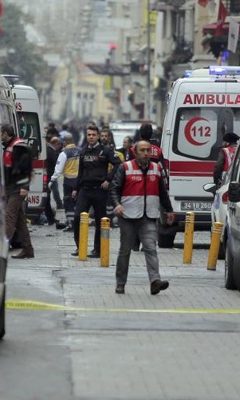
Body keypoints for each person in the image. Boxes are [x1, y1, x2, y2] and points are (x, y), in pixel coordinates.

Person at [110, 140, 175, 295]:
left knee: (151, 248)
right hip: (128, 215)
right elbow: (114, 189)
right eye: (143, 150)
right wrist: (117, 205)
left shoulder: (156, 168)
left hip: (149, 215)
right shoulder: (125, 167)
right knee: (125, 251)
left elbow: (162, 192)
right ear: (135, 152)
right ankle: (120, 283)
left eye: (148, 150)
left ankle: (155, 281)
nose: (146, 153)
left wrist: (169, 210)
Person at [71, 125, 122, 258]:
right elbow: (80, 172)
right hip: (85, 190)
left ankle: (98, 249)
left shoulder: (106, 150)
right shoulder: (83, 152)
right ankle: (79, 246)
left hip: (99, 190)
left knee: (101, 221)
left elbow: (118, 164)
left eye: (94, 135)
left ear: (98, 136)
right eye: (89, 135)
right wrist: (76, 188)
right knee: (77, 218)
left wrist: (109, 180)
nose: (91, 137)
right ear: (86, 136)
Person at [1, 124, 35, 259]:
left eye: (1, 132)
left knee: (9, 217)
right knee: (20, 221)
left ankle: (1, 248)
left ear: (6, 133)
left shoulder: (18, 145)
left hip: (17, 188)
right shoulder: (10, 145)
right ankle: (28, 250)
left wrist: (25, 187)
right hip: (11, 187)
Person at [52, 133, 80, 231]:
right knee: (77, 203)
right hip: (79, 181)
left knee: (68, 202)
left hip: (69, 181)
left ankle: (71, 224)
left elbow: (58, 170)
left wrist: (52, 180)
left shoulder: (64, 153)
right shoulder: (80, 151)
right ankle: (78, 224)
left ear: (64, 142)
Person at [43, 135, 63, 226]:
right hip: (49, 177)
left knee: (47, 197)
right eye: (59, 145)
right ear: (56, 144)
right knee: (47, 197)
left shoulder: (49, 150)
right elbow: (56, 163)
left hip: (49, 176)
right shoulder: (51, 151)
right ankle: (50, 218)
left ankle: (50, 217)